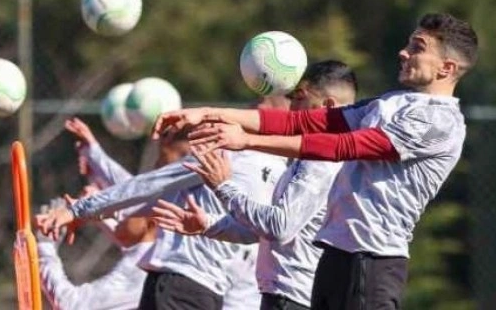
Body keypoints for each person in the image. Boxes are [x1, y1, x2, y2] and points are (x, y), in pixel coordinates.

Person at [151, 13, 479, 309]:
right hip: (336, 256)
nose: (404, 52)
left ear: (446, 68)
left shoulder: (439, 122)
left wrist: (247, 140)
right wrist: (208, 113)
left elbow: (343, 146)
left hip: (373, 262)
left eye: (418, 47)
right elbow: (304, 123)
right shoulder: (391, 103)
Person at [35, 102, 290, 310]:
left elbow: (146, 187)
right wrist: (95, 169)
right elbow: (146, 193)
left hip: (179, 286)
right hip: (208, 295)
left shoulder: (227, 156)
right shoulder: (283, 177)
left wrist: (79, 211)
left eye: (257, 111)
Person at [152, 60, 358, 310]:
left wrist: (224, 186)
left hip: (294, 300)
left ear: (327, 107)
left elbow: (278, 226)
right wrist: (207, 224)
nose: (292, 108)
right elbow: (260, 232)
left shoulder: (322, 162)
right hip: (284, 297)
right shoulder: (312, 158)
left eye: (299, 98)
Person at [36, 117, 190, 310]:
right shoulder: (165, 250)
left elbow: (72, 305)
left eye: (128, 212)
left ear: (153, 221)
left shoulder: (143, 270)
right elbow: (135, 190)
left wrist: (44, 247)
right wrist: (94, 155)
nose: (120, 214)